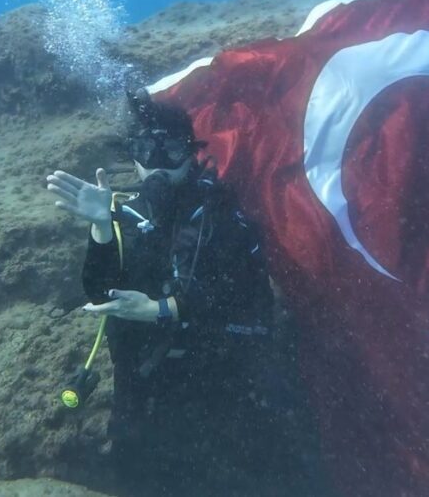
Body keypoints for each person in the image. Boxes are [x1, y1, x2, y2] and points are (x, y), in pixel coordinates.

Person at [45, 88, 277, 496]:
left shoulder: (224, 218)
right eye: (144, 150)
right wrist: (100, 230)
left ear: (190, 153)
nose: (156, 165)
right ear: (132, 155)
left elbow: (253, 307)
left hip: (218, 391)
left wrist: (162, 310)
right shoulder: (122, 213)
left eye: (169, 150)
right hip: (140, 394)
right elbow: (100, 293)